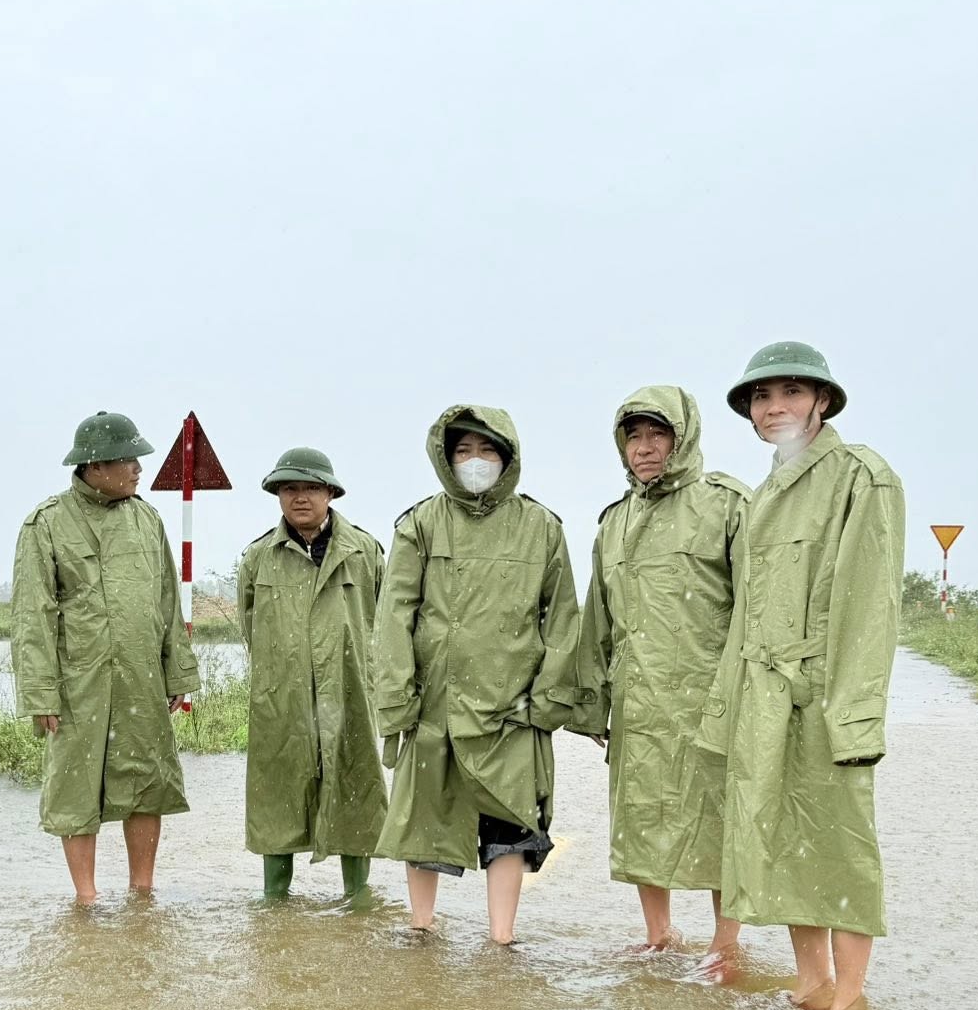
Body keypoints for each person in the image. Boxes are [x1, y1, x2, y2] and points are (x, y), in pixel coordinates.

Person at [697, 343, 904, 1010]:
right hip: (761, 700)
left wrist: (854, 718)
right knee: (781, 842)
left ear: (822, 400)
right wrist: (726, 709)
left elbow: (869, 608)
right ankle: (812, 980)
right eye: (761, 397)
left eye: (790, 392)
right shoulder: (764, 494)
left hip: (821, 697)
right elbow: (746, 615)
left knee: (841, 845)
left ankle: (849, 997)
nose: (774, 406)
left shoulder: (860, 477)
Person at [373, 406, 581, 945]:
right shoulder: (420, 523)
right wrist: (398, 697)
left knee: (509, 824)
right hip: (434, 702)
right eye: (463, 451)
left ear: (508, 458)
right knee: (424, 820)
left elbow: (562, 620)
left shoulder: (541, 527)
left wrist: (546, 701)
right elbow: (394, 614)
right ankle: (421, 930)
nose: (475, 462)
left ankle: (502, 940)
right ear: (445, 460)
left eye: (487, 450)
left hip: (511, 708)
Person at [571, 386, 749, 968]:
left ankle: (725, 946)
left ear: (683, 437)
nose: (644, 449)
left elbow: (753, 608)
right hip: (639, 701)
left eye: (657, 435)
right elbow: (597, 616)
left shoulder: (726, 505)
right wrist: (592, 701)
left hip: (711, 700)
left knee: (719, 820)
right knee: (644, 818)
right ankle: (659, 935)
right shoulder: (615, 522)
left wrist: (745, 694)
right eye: (633, 437)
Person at [12, 411, 198, 904]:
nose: (139, 469)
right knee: (76, 788)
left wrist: (176, 670)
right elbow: (33, 616)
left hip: (141, 677)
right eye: (128, 460)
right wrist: (40, 692)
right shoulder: (46, 524)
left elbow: (166, 603)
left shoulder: (147, 519)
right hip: (77, 683)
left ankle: (143, 893)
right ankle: (86, 900)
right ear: (94, 467)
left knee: (147, 782)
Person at [237, 447, 388, 899]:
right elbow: (250, 625)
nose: (299, 497)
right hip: (280, 695)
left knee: (355, 785)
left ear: (330, 493)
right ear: (278, 496)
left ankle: (358, 899)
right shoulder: (259, 556)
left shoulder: (364, 551)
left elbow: (386, 619)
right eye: (289, 488)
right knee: (276, 793)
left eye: (310, 488)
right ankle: (274, 902)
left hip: (349, 689)